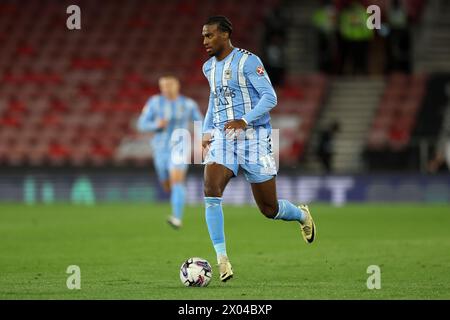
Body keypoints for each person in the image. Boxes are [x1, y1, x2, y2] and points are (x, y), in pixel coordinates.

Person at [201, 16, 316, 282]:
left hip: (254, 138)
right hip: (223, 138)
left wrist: (244, 119)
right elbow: (213, 99)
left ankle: (300, 214)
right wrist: (207, 130)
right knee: (211, 189)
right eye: (204, 36)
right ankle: (222, 259)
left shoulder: (249, 61)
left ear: (226, 34)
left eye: (210, 35)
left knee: (269, 209)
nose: (205, 41)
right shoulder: (208, 68)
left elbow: (270, 97)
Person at [137, 75, 203, 229]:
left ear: (177, 86)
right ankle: (174, 198)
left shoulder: (188, 104)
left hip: (180, 146)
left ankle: (176, 218)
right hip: (160, 149)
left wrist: (202, 141)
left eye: (169, 85)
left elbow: (200, 121)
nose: (166, 89)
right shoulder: (154, 102)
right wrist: (156, 124)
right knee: (167, 184)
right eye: (163, 86)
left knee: (177, 181)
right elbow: (141, 124)